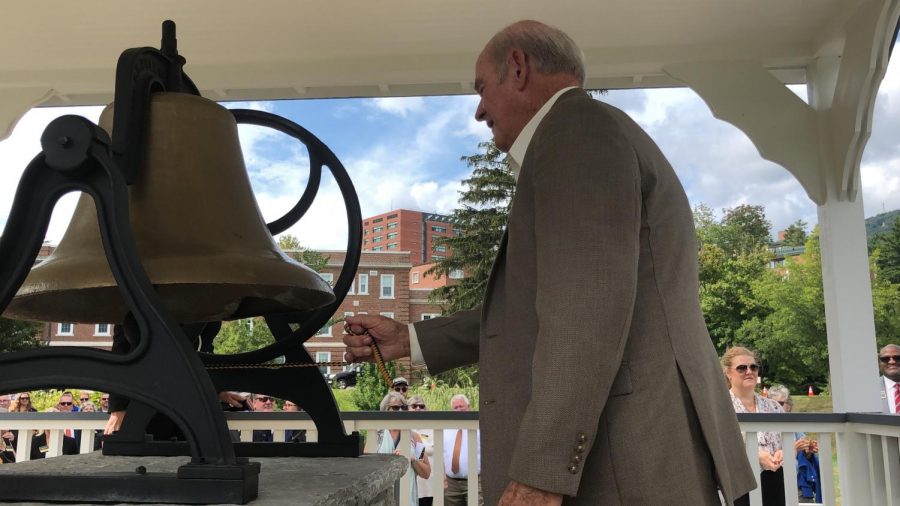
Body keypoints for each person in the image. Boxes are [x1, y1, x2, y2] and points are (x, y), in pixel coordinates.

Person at [344, 19, 755, 505]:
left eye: (482, 88)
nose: (479, 111)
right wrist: (410, 340)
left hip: (621, 460)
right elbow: (544, 307)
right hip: (633, 452)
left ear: (517, 68)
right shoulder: (589, 133)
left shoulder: (576, 132)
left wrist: (543, 472)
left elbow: (586, 313)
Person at [723, 347, 785, 506]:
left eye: (753, 367)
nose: (749, 371)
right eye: (742, 368)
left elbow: (787, 438)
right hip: (739, 481)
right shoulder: (720, 406)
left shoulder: (774, 406)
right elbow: (719, 444)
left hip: (775, 480)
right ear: (728, 373)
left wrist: (782, 452)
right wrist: (754, 454)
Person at [767, 385, 821, 504]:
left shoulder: (794, 426)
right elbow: (770, 460)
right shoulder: (765, 427)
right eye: (772, 403)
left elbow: (802, 458)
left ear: (789, 405)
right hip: (776, 484)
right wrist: (793, 449)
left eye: (780, 403)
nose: (776, 407)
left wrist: (808, 450)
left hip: (798, 484)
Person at [376, 392, 431, 506]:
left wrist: (413, 459)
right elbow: (367, 467)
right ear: (386, 410)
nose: (401, 411)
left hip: (408, 498)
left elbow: (426, 472)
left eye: (404, 407)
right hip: (382, 497)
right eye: (396, 408)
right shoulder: (376, 436)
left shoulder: (415, 437)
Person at [443, 394, 483, 506]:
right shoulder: (446, 429)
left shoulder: (479, 427)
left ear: (469, 407)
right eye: (455, 408)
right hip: (451, 484)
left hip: (474, 482)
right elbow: (441, 454)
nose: (459, 409)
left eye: (461, 406)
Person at [407, 394, 434, 506]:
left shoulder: (432, 427)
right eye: (414, 406)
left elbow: (421, 454)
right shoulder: (405, 429)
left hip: (427, 482)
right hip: (411, 479)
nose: (418, 408)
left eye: (421, 406)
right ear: (407, 408)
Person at [879, 343, 900, 414]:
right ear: (879, 362)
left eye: (897, 358)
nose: (892, 361)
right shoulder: (868, 389)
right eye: (885, 359)